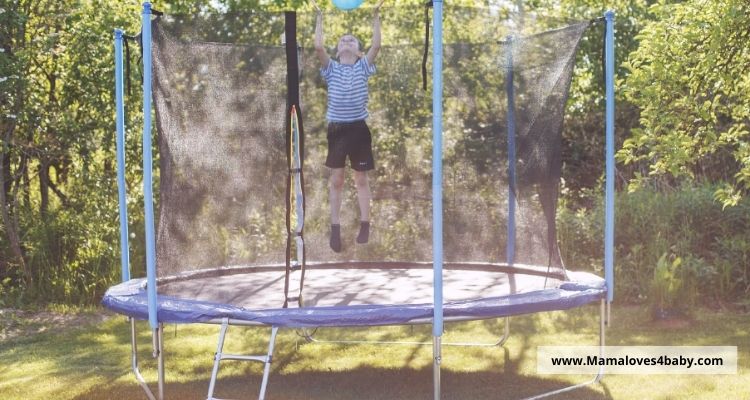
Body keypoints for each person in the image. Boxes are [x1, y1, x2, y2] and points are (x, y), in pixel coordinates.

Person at [314, 1, 382, 252]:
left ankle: (365, 223)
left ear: (359, 52)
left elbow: (377, 45)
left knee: (361, 179)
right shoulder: (331, 69)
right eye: (343, 40)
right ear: (337, 49)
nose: (346, 41)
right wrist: (319, 16)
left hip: (358, 129)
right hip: (337, 130)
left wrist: (376, 16)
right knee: (337, 180)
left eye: (352, 40)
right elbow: (318, 46)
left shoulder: (364, 67)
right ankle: (335, 228)